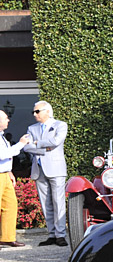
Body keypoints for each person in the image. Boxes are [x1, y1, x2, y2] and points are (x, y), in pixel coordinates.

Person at [22, 101, 68, 246]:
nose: (35, 114)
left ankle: (61, 235)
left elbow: (56, 141)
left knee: (58, 202)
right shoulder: (32, 128)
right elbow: (26, 148)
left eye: (37, 111)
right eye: (34, 112)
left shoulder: (60, 125)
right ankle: (52, 234)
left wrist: (36, 143)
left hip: (56, 169)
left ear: (48, 111)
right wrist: (43, 148)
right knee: (45, 203)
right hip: (39, 169)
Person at [0, 110, 30, 249]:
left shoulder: (2, 137)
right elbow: (4, 154)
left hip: (4, 175)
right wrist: (21, 144)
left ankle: (7, 237)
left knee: (10, 205)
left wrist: (9, 172)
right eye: (6, 118)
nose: (9, 120)